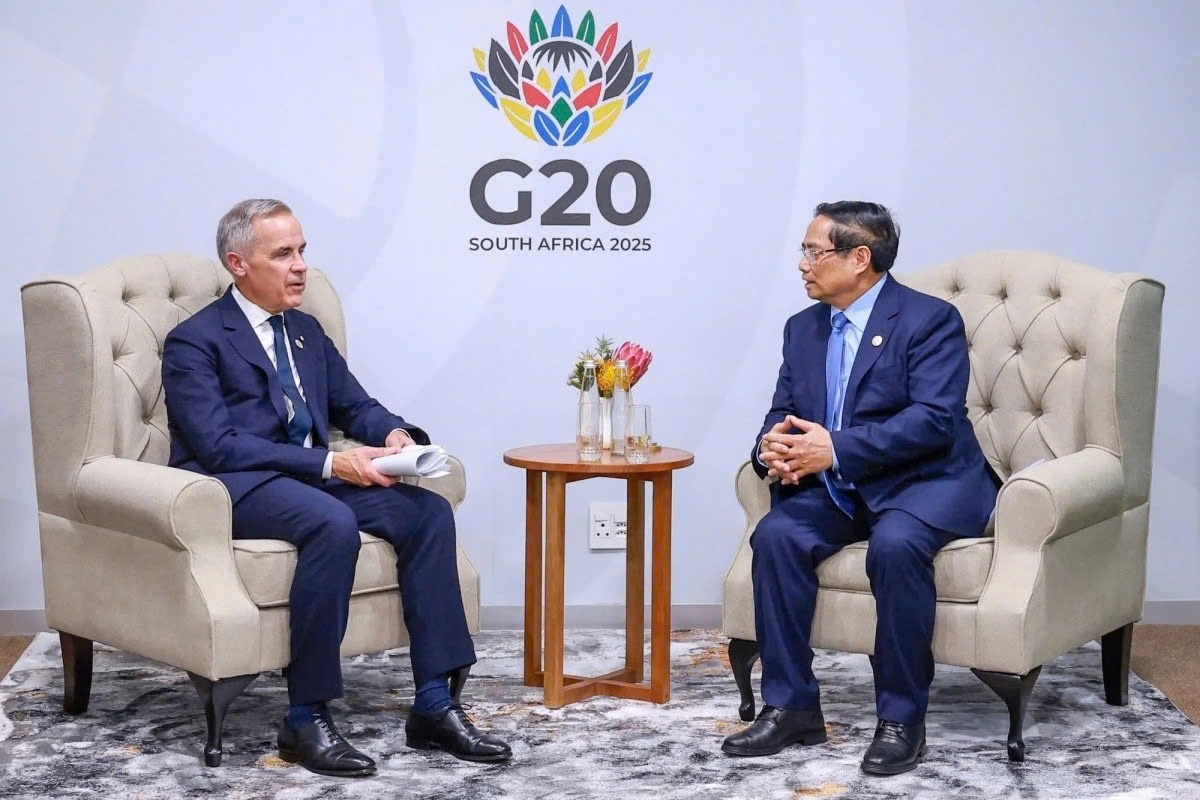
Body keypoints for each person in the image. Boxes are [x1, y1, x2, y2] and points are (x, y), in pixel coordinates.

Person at [161, 199, 512, 777]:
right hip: (237, 485)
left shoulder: (305, 330)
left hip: (308, 474)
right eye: (283, 254)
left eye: (302, 250)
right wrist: (331, 464)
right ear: (238, 263)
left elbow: (354, 404)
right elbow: (219, 445)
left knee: (424, 514)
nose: (300, 265)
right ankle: (305, 716)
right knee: (332, 523)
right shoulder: (194, 341)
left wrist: (396, 435)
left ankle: (434, 704)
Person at [721, 201, 1000, 775]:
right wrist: (773, 449)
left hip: (925, 482)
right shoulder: (802, 328)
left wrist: (837, 449)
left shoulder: (929, 319)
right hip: (842, 488)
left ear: (860, 259)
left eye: (813, 251)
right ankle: (791, 706)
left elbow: (934, 419)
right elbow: (784, 411)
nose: (801, 264)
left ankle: (901, 720)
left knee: (896, 547)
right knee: (776, 536)